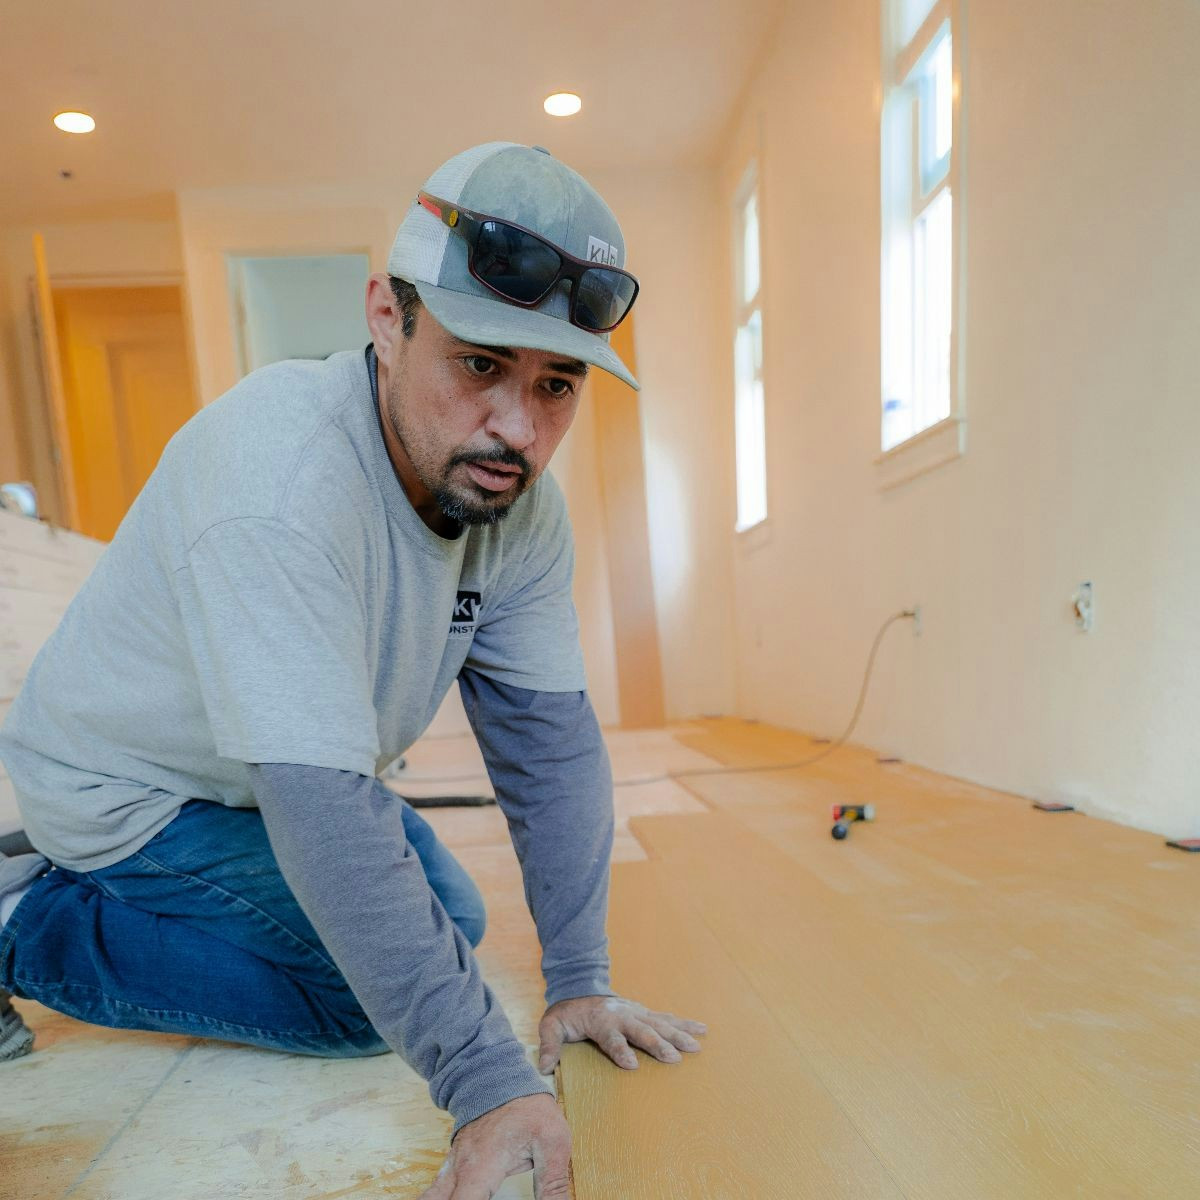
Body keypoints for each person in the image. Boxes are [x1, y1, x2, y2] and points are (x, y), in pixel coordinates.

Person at [0, 142, 704, 1198]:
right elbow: (321, 807)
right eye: (479, 365)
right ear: (387, 316)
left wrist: (579, 979)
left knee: (450, 928)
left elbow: (548, 748)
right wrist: (485, 1082)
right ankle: (22, 922)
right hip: (133, 792)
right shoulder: (276, 484)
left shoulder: (520, 510)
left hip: (253, 781)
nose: (517, 427)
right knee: (355, 1005)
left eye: (555, 385)